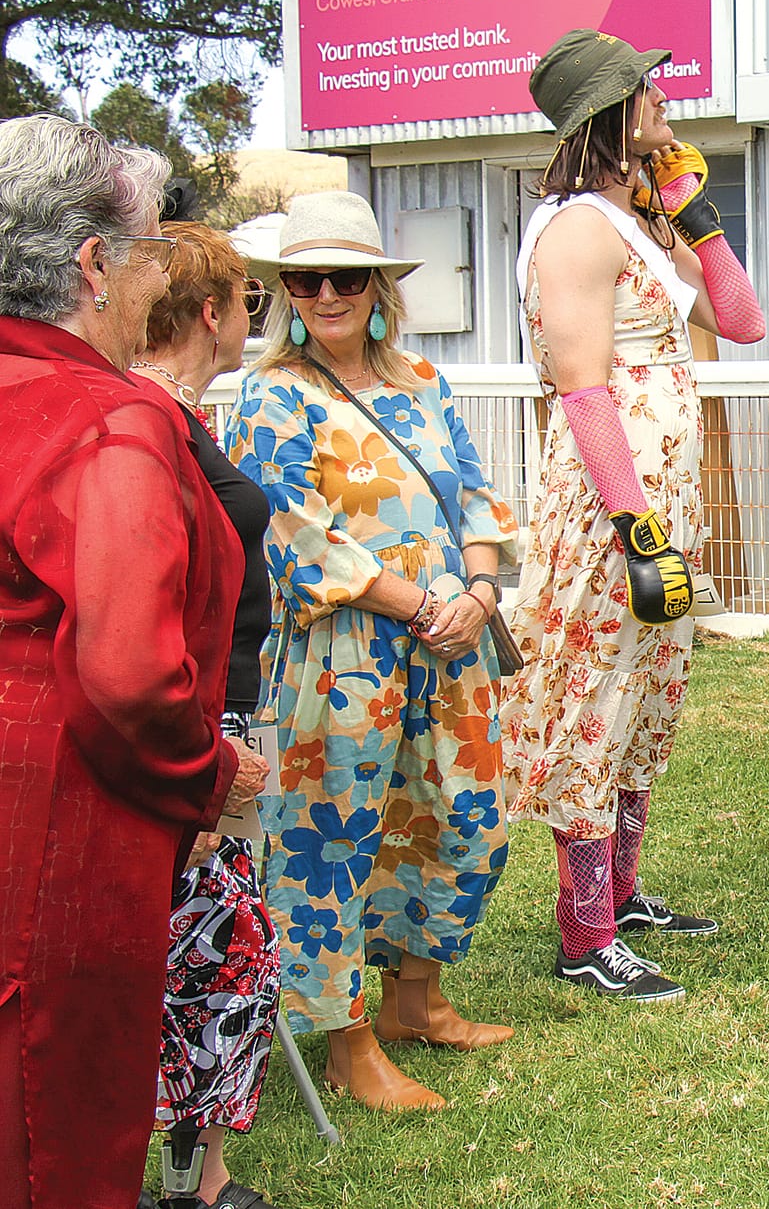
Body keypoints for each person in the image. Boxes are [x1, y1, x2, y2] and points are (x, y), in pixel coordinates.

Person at [0, 114, 261, 1206]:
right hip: (64, 831)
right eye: (151, 246)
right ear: (95, 263)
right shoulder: (108, 421)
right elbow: (127, 677)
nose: (159, 273)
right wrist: (215, 774)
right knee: (55, 1129)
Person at [226, 191, 517, 1111]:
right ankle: (351, 1043)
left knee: (466, 817)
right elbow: (289, 533)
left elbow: (474, 492)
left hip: (453, 643)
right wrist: (415, 601)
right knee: (335, 839)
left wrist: (474, 593)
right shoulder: (273, 395)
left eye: (343, 275)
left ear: (378, 285)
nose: (324, 293)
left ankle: (415, 1002)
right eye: (304, 279)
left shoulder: (425, 382)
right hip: (341, 649)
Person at [504, 29, 758, 1001]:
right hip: (618, 510)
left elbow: (741, 320)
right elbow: (581, 388)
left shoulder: (635, 221)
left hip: (663, 503)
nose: (662, 94)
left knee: (649, 695)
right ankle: (584, 931)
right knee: (598, 703)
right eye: (644, 85)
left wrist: (698, 215)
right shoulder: (574, 228)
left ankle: (625, 892)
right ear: (608, 107)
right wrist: (635, 528)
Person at [134, 223, 283, 1209]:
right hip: (192, 726)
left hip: (222, 713)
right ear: (212, 313)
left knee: (211, 947)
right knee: (215, 952)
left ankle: (197, 1175)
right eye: (249, 302)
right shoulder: (148, 418)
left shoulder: (179, 417)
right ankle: (184, 1181)